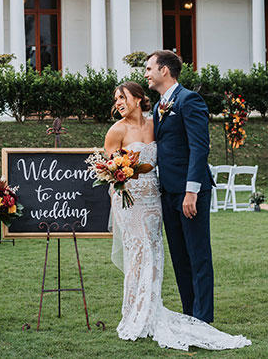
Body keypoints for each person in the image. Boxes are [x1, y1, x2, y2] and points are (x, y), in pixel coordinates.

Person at [104, 80, 250, 351]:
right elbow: (109, 171)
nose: (119, 103)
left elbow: (178, 148)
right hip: (131, 202)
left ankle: (154, 308)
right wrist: (120, 179)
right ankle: (136, 313)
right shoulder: (116, 130)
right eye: (116, 100)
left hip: (155, 199)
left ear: (138, 98)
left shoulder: (154, 123)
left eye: (122, 97)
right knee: (139, 254)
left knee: (156, 254)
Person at [145, 50, 216, 322]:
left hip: (190, 193)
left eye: (150, 68)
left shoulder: (189, 100)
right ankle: (190, 316)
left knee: (198, 255)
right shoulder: (158, 105)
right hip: (168, 192)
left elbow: (199, 148)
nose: (146, 74)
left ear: (165, 70)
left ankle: (203, 319)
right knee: (179, 257)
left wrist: (191, 191)